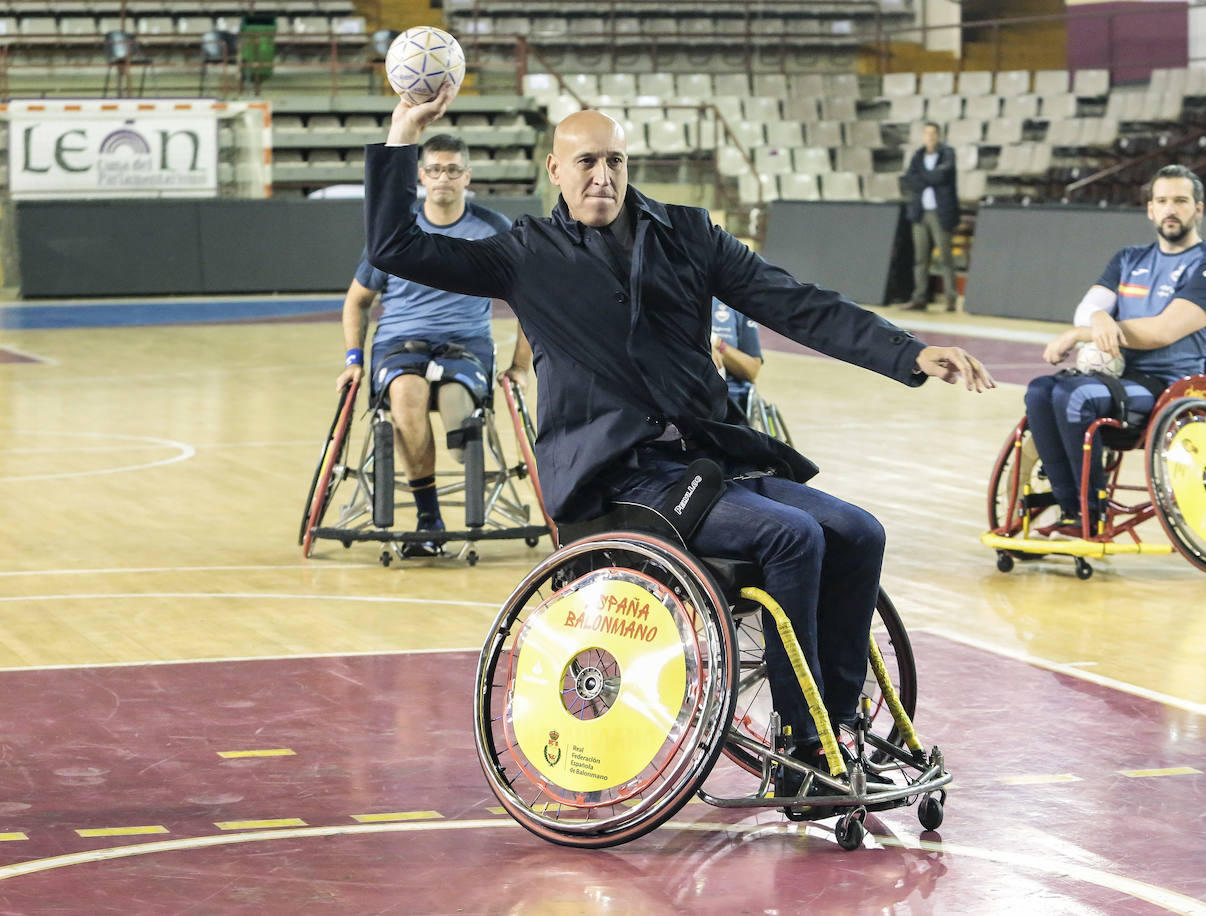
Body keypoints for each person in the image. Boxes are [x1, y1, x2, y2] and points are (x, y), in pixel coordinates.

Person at [364, 86, 994, 791]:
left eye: (615, 162)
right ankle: (803, 751)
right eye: (585, 163)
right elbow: (395, 246)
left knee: (859, 530)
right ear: (554, 170)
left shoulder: (688, 235)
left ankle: (838, 724)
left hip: (708, 463)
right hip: (619, 480)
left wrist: (905, 352)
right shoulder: (523, 254)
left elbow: (792, 302)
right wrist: (404, 130)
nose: (601, 176)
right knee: (794, 538)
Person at [1028, 164, 1206, 538]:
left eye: (1180, 201)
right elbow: (1088, 307)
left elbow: (1162, 332)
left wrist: (1089, 329)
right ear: (1150, 210)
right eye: (1162, 201)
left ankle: (1088, 513)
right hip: (1118, 375)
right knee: (1040, 391)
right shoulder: (1128, 259)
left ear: (1199, 209)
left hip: (1169, 385)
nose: (1170, 209)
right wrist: (1095, 320)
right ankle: (1068, 504)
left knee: (1074, 397)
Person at [335, 134, 513, 558]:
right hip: (401, 342)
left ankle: (460, 453)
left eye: (453, 170)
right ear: (420, 176)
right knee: (405, 397)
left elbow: (530, 298)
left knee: (457, 415)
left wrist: (521, 366)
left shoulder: (493, 229)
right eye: (434, 170)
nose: (443, 179)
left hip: (465, 345)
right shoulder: (398, 229)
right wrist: (354, 358)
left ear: (467, 176)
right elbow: (356, 301)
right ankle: (428, 518)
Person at [899, 122, 959, 310]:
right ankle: (919, 297)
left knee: (945, 257)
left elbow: (941, 176)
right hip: (920, 213)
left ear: (938, 135)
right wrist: (928, 177)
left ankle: (951, 298)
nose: (930, 136)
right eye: (926, 133)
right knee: (920, 258)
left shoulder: (947, 153)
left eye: (933, 133)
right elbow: (909, 180)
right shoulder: (918, 155)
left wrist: (921, 178)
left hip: (940, 213)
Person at [708, 298, 763, 415]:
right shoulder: (679, 296)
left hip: (732, 402)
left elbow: (752, 370)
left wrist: (716, 341)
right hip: (687, 396)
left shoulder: (739, 304)